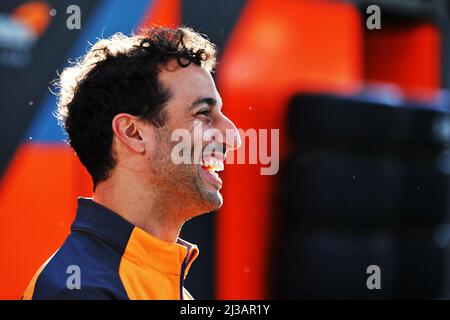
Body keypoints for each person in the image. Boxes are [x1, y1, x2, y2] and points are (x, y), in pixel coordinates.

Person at [22, 26, 241, 300]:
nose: (233, 137)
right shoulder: (82, 290)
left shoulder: (163, 284)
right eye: (203, 113)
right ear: (133, 133)